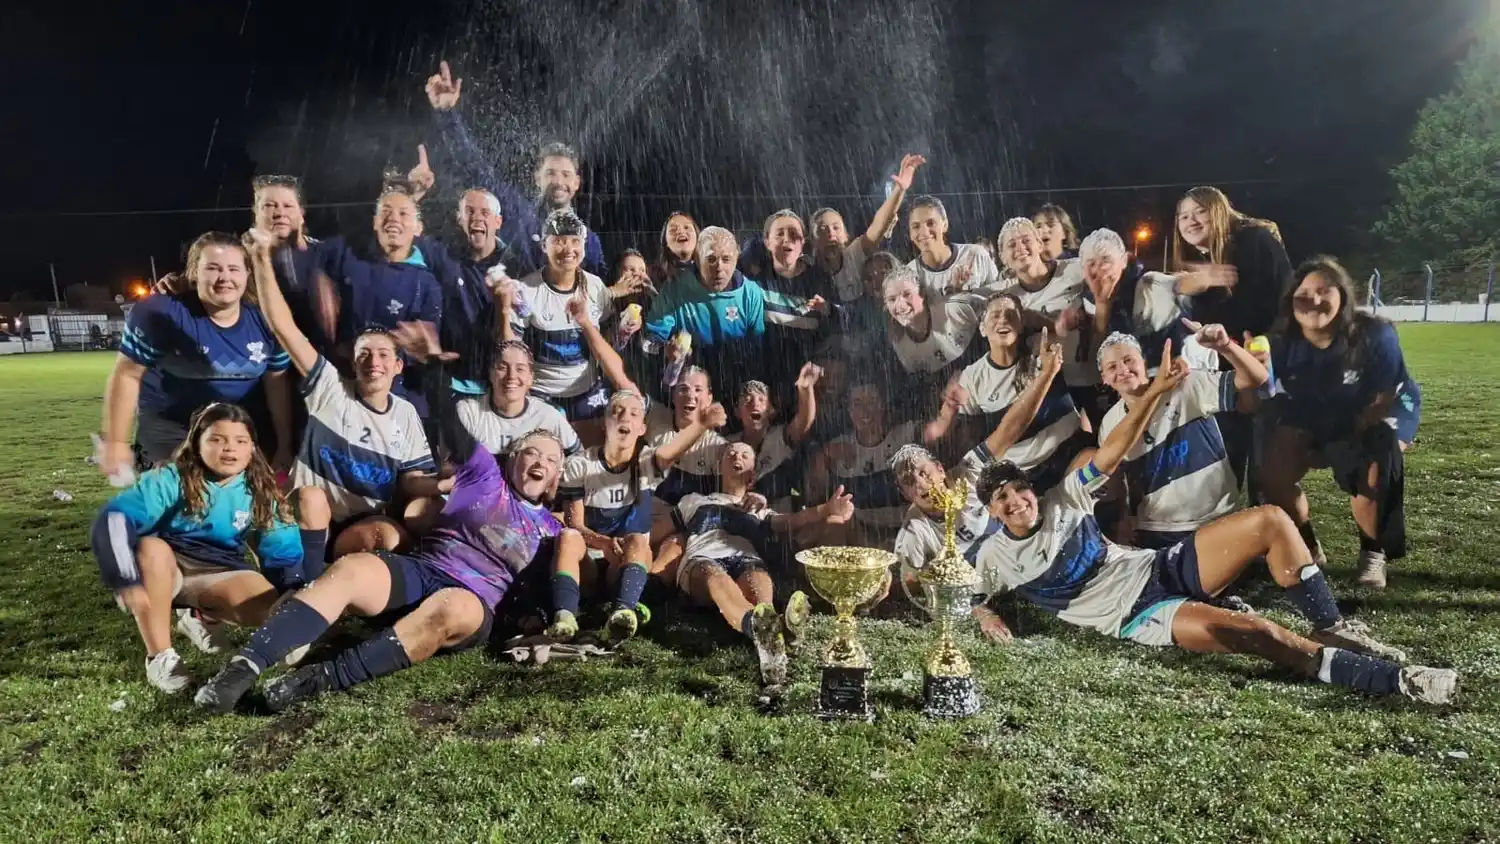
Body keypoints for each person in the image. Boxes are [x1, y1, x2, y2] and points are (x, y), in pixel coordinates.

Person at [970, 346, 1456, 705]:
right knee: (1258, 633)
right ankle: (1398, 680)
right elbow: (960, 589)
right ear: (992, 512)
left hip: (1158, 565)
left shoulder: (1065, 494)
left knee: (1271, 519)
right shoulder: (994, 557)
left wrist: (1156, 392)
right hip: (1138, 613)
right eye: (1002, 499)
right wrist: (984, 614)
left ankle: (1332, 627)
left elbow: (1113, 452)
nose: (1016, 501)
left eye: (1019, 489)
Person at [193, 320, 565, 714]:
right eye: (531, 452)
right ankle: (241, 669)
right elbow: (449, 420)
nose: (539, 461)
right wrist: (433, 365)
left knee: (451, 607)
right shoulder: (485, 474)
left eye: (551, 459)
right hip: (424, 570)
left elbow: (558, 584)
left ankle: (319, 679)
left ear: (557, 477)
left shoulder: (553, 530)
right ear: (514, 460)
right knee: (353, 569)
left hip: (474, 600)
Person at [245, 228, 441, 561]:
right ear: (353, 361)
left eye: (382, 355)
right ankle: (307, 579)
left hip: (359, 522)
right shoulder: (329, 387)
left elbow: (412, 479)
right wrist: (261, 259)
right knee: (311, 497)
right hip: (306, 516)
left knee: (390, 535)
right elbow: (283, 327)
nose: (373, 361)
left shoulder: (406, 413)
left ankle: (346, 572)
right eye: (364, 353)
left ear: (397, 367)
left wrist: (444, 485)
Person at [91, 403, 305, 694]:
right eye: (217, 439)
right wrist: (124, 577)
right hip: (166, 568)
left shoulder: (260, 489)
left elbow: (282, 549)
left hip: (217, 571)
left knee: (272, 610)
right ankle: (160, 657)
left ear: (252, 448)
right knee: (152, 549)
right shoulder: (169, 479)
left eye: (240, 441)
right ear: (196, 443)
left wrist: (291, 592)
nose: (229, 449)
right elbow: (114, 519)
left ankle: (201, 615)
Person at [1258, 256, 1421, 590]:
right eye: (1305, 292)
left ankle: (1373, 553)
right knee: (1273, 470)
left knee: (1372, 468)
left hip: (1378, 411)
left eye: (1325, 291)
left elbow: (1381, 400)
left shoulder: (1374, 334)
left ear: (1343, 297)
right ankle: (1307, 546)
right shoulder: (1280, 343)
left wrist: (1332, 449)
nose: (1314, 299)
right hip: (1319, 411)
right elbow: (1276, 400)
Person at [891, 331, 1065, 617]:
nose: (921, 483)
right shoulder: (914, 529)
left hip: (1028, 560)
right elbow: (910, 583)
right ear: (905, 493)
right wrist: (975, 610)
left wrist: (1046, 375)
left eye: (923, 472)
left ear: (940, 468)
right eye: (909, 482)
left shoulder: (968, 473)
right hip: (983, 591)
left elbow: (1009, 430)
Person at [101, 231, 295, 476]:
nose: (224, 278)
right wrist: (116, 442)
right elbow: (127, 375)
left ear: (248, 273)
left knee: (245, 501)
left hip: (237, 427)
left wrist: (284, 445)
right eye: (213, 268)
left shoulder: (268, 320)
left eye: (234, 269)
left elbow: (277, 385)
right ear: (194, 272)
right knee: (186, 493)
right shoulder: (161, 313)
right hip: (172, 427)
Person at [549, 391, 726, 643]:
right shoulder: (580, 464)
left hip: (622, 564)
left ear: (642, 428)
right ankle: (564, 616)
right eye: (617, 411)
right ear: (604, 422)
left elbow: (667, 454)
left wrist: (702, 424)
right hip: (588, 560)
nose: (625, 417)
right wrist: (603, 543)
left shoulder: (644, 463)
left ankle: (623, 612)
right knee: (567, 536)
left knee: (638, 541)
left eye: (634, 413)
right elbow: (574, 522)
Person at [674, 442, 855, 687]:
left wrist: (828, 509)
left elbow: (793, 520)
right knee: (713, 575)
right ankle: (769, 629)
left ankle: (769, 630)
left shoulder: (759, 508)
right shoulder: (694, 500)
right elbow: (660, 525)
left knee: (756, 576)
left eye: (744, 455)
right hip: (703, 558)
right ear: (719, 466)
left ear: (753, 473)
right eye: (730, 454)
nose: (737, 457)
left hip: (745, 558)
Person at [425, 61, 605, 276]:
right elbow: (474, 167)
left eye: (566, 174)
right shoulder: (519, 215)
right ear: (537, 178)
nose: (558, 181)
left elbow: (600, 292)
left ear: (576, 183)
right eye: (550, 173)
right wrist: (447, 114)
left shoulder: (589, 240)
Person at [1095, 324, 1267, 549]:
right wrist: (1121, 519)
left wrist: (1226, 347)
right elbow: (1117, 481)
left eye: (1129, 360)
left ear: (1144, 362)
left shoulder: (1186, 384)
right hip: (1157, 529)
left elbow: (1257, 378)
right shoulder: (1110, 423)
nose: (1123, 369)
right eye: (1112, 366)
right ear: (1105, 378)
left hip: (1215, 519)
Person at [1171, 186, 1293, 487]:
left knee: (1270, 478)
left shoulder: (1255, 242)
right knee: (1228, 470)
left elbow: (1278, 304)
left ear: (1220, 211)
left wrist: (1269, 347)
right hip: (1225, 375)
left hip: (1266, 369)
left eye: (1200, 211)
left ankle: (1290, 533)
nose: (1191, 221)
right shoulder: (1201, 264)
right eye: (1184, 216)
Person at [642, 226, 828, 406]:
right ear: (697, 258)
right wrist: (665, 350)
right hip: (689, 388)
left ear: (736, 258)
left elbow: (756, 353)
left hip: (734, 386)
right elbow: (649, 341)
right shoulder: (674, 290)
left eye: (726, 259)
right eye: (711, 259)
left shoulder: (750, 293)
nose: (719, 268)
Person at [498, 210, 638, 440]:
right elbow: (510, 350)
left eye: (575, 241)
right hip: (542, 393)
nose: (568, 249)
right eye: (559, 242)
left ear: (584, 246)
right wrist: (504, 309)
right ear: (545, 246)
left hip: (588, 390)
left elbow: (607, 344)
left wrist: (624, 331)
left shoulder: (595, 287)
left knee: (594, 448)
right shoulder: (526, 290)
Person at [924, 298, 1090, 493]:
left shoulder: (1042, 347)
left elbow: (1086, 365)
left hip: (1071, 450)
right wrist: (946, 417)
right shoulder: (972, 377)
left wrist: (1057, 328)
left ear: (1021, 326)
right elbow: (950, 435)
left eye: (1011, 315)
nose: (1003, 320)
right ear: (982, 330)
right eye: (995, 315)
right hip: (1021, 474)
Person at [311, 185, 445, 418]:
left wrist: (423, 352)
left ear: (418, 228)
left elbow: (426, 346)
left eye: (403, 214)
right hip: (342, 382)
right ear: (374, 222)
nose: (393, 219)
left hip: (396, 391)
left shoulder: (426, 283)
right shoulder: (347, 256)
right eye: (386, 212)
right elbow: (307, 256)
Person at [412, 184, 513, 398]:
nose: (476, 218)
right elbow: (404, 237)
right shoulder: (443, 256)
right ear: (460, 220)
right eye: (469, 211)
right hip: (451, 384)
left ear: (498, 222)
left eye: (485, 212)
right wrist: (415, 195)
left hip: (502, 385)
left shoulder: (516, 264)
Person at [995, 217, 1097, 421]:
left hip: (1093, 380)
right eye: (1012, 245)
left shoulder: (1075, 270)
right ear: (1003, 257)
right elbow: (968, 302)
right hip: (1050, 392)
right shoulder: (1004, 295)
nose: (1020, 248)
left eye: (1026, 240)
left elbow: (1116, 275)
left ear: (1039, 243)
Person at [807, 378, 915, 548]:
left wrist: (950, 408)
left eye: (871, 402)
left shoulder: (905, 436)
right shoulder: (838, 446)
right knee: (834, 522)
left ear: (882, 405)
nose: (865, 411)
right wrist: (822, 456)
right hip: (860, 533)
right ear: (849, 410)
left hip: (909, 529)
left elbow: (936, 432)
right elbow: (814, 496)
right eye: (857, 403)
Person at [1077, 228, 1196, 373]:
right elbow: (1102, 346)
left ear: (1124, 261)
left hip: (1178, 365)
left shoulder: (1148, 284)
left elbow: (1181, 284)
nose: (1100, 269)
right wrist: (1101, 303)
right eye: (1091, 264)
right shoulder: (1089, 299)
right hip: (1136, 375)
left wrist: (1203, 279)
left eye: (1106, 261)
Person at [810, 153, 925, 303]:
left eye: (836, 228)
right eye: (822, 230)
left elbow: (879, 224)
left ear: (846, 236)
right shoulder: (808, 272)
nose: (831, 234)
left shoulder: (854, 256)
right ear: (813, 240)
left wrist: (899, 190)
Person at [457, 340, 582, 458]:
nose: (511, 376)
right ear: (491, 373)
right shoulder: (469, 412)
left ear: (530, 378)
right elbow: (454, 465)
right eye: (502, 368)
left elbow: (578, 458)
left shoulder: (548, 416)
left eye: (520, 369)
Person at [881, 264, 987, 401]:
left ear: (922, 293)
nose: (900, 305)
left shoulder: (954, 308)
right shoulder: (900, 342)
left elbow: (999, 311)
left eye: (907, 294)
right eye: (892, 299)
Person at [730, 367, 820, 514]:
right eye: (747, 400)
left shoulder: (779, 438)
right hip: (738, 522)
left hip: (778, 521)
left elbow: (804, 422)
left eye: (761, 399)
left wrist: (806, 389)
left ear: (771, 410)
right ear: (737, 411)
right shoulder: (728, 445)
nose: (754, 404)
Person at [905, 195, 1001, 294]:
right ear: (910, 233)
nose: (924, 232)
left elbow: (999, 298)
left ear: (945, 225)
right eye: (916, 226)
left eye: (931, 223)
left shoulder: (975, 255)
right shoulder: (909, 275)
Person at [651, 212, 699, 288]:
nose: (681, 232)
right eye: (673, 230)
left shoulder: (712, 270)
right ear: (665, 242)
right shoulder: (654, 277)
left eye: (686, 227)